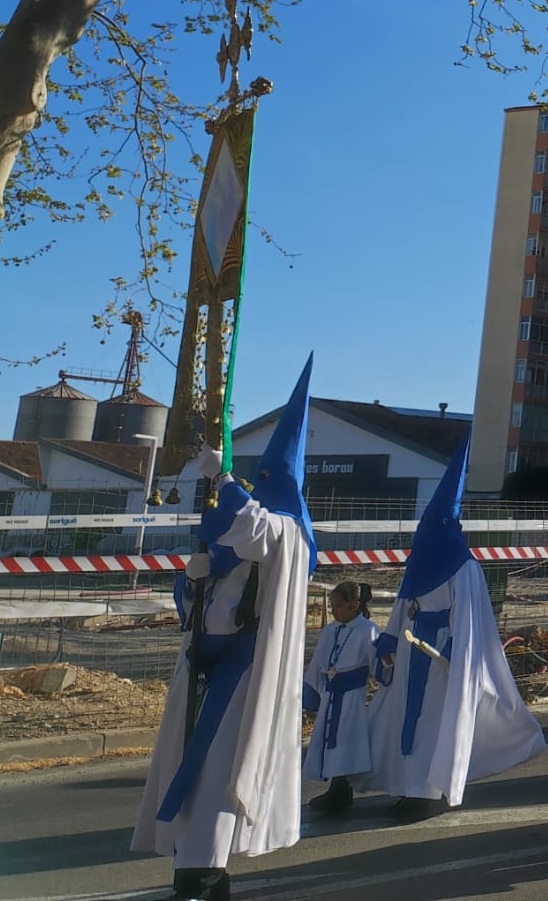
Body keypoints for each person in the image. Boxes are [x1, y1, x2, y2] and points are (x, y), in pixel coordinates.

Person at [134, 360, 316, 901]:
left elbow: (256, 529)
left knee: (216, 770)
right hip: (202, 661)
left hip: (243, 669)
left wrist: (224, 479)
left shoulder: (287, 532)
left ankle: (202, 871)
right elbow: (202, 599)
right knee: (183, 760)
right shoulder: (243, 531)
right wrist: (190, 584)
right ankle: (196, 871)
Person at [367, 429, 544, 819]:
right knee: (405, 721)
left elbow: (470, 619)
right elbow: (403, 606)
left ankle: (428, 790)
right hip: (413, 653)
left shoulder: (464, 568)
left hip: (442, 660)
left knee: (433, 723)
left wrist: (452, 652)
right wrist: (389, 641)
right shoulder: (420, 562)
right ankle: (406, 785)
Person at [303, 580, 378, 817]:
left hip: (351, 696)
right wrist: (312, 695)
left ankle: (341, 787)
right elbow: (318, 663)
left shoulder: (368, 630)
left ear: (354, 605)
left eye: (338, 606)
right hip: (331, 694)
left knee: (345, 739)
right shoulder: (330, 630)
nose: (333, 610)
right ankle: (336, 787)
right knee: (328, 739)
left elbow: (377, 664)